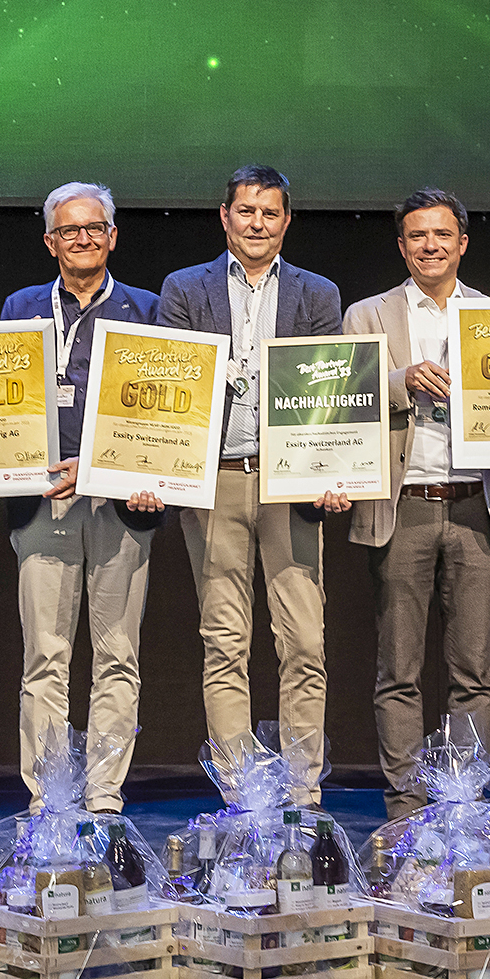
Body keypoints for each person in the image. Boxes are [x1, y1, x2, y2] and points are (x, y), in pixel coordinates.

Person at [156, 165, 345, 800]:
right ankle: (240, 793)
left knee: (304, 644)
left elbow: (332, 395)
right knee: (224, 640)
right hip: (216, 480)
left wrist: (333, 473)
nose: (257, 223)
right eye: (245, 211)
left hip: (292, 483)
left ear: (286, 221)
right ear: (225, 216)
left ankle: (299, 795)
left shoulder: (318, 294)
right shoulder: (184, 289)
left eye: (269, 213)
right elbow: (173, 386)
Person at [342, 189, 490, 821]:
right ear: (402, 246)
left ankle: (465, 805)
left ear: (462, 243)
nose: (430, 246)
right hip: (404, 506)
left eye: (442, 235)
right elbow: (342, 396)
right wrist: (402, 382)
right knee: (399, 670)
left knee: (473, 672)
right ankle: (406, 808)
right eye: (417, 236)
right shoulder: (368, 315)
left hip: (479, 507)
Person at [1, 183, 161, 813]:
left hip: (120, 503)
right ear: (50, 242)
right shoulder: (19, 306)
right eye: (69, 230)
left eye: (95, 228)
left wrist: (100, 468)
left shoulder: (148, 311)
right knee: (45, 655)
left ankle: (102, 793)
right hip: (42, 502)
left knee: (118, 656)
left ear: (113, 236)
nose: (83, 239)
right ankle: (48, 793)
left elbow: (163, 418)